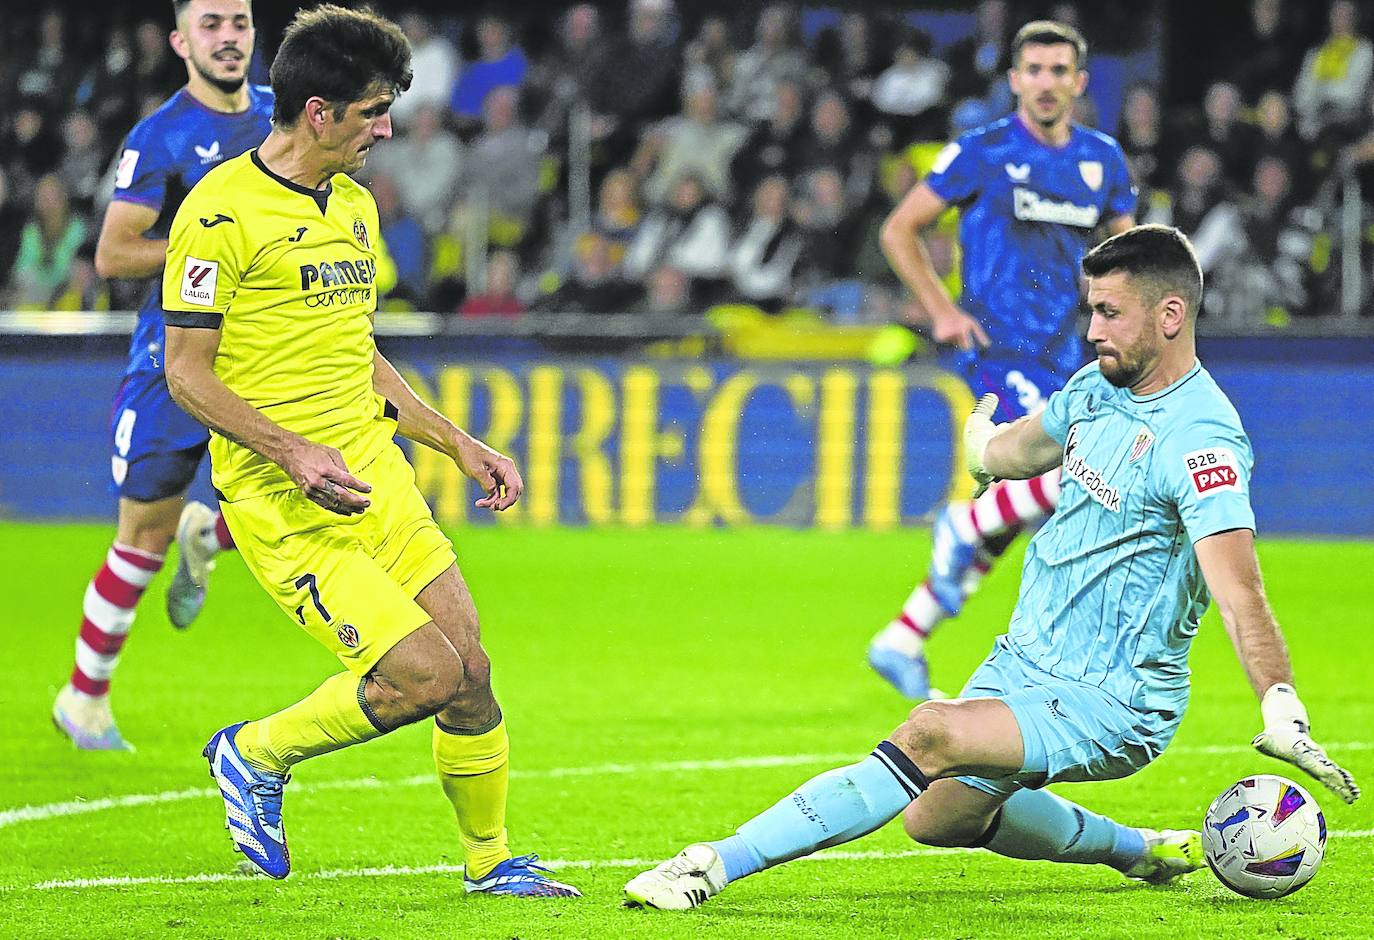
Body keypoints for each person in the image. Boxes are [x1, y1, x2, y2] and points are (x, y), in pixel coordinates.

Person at [624, 224, 1362, 911]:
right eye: (1091, 310)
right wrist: (982, 446)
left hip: (1113, 698)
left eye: (1110, 313)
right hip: (1025, 661)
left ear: (1171, 315)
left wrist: (1281, 706)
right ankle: (1140, 851)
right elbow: (1019, 451)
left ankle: (709, 866)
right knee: (935, 817)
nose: (1092, 330)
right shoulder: (1095, 388)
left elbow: (1240, 591)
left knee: (929, 733)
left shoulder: (1202, 441)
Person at [160, 4, 579, 897]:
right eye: (373, 112)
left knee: (470, 669)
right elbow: (186, 372)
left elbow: (360, 354)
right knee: (422, 675)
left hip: (376, 479)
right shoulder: (220, 213)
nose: (386, 129)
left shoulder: (354, 206)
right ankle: (253, 753)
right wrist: (291, 452)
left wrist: (458, 443)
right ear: (318, 112)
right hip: (286, 501)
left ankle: (490, 861)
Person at [867, 21, 1137, 701]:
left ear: (1079, 82)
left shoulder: (1102, 160)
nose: (1046, 83)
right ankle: (962, 526)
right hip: (997, 347)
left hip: (1066, 352)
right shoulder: (981, 151)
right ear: (1015, 80)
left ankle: (904, 635)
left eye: (1059, 71)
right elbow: (899, 229)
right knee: (1076, 473)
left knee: (1025, 503)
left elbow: (1129, 257)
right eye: (1034, 70)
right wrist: (940, 310)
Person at [51, 0, 272, 752]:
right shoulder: (161, 137)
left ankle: (208, 534)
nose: (228, 37)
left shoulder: (284, 118)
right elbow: (115, 254)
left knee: (322, 486)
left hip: (267, 350)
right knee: (142, 536)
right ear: (181, 41)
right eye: (211, 25)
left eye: (239, 23)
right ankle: (83, 699)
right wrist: (211, 246)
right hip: (173, 354)